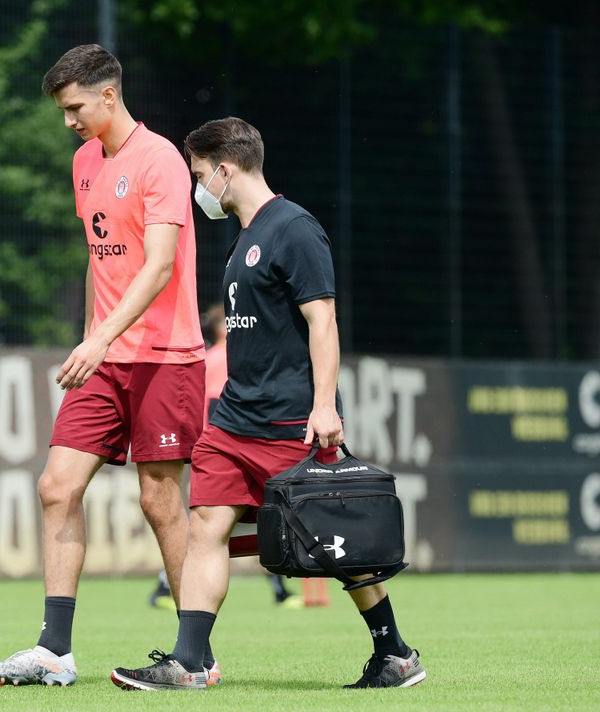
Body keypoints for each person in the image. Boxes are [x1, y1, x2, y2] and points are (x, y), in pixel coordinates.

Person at [111, 117, 426, 691]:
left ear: (226, 170)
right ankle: (189, 662)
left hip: (289, 423)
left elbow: (322, 321)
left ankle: (394, 653)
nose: (198, 187)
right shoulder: (243, 237)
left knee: (334, 542)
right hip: (233, 421)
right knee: (206, 525)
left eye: (200, 175)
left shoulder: (294, 229)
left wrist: (324, 405)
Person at [0, 44, 207, 687]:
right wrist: (90, 339)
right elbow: (97, 259)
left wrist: (100, 337)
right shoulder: (83, 162)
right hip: (104, 358)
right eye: (62, 110)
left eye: (75, 107)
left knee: (159, 500)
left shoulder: (159, 158)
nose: (69, 120)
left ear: (109, 95)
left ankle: (197, 655)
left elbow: (159, 266)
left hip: (164, 357)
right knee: (56, 486)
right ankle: (54, 649)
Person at [148, 303, 303, 611]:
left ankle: (168, 587)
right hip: (230, 448)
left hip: (216, 450)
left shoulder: (208, 358)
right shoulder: (229, 357)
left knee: (213, 530)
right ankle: (168, 585)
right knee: (233, 527)